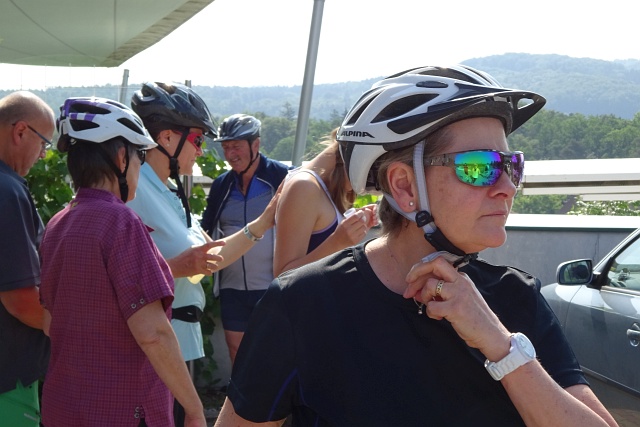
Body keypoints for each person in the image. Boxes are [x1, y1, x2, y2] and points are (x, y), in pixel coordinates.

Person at [214, 65, 618, 426]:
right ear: (404, 186)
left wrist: (501, 347)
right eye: (480, 167)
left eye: (511, 166)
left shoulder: (516, 298)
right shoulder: (305, 303)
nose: (507, 188)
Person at [39, 97, 206, 427]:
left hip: (64, 407)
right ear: (120, 157)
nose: (140, 166)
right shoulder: (121, 222)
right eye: (139, 156)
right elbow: (154, 334)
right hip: (123, 410)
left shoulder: (57, 224)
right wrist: (194, 409)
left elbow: (49, 323)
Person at [128, 83, 280, 427]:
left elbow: (210, 257)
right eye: (197, 139)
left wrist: (263, 222)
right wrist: (173, 267)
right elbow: (113, 271)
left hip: (179, 344)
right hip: (152, 349)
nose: (200, 150)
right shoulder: (135, 191)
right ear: (167, 138)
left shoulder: (169, 190)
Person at [201, 114, 290, 364]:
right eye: (226, 147)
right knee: (236, 352)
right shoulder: (222, 185)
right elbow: (206, 227)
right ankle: (240, 393)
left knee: (273, 353)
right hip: (232, 286)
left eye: (236, 146)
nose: (230, 154)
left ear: (256, 144)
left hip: (271, 284)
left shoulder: (282, 177)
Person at [0, 91, 53, 427]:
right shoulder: (8, 191)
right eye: (44, 143)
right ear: (20, 131)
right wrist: (76, 330)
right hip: (8, 380)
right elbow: (20, 299)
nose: (44, 154)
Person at [273, 128, 377, 277]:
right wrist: (338, 242)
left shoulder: (320, 186)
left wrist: (353, 227)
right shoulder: (304, 186)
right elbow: (283, 276)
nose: (364, 186)